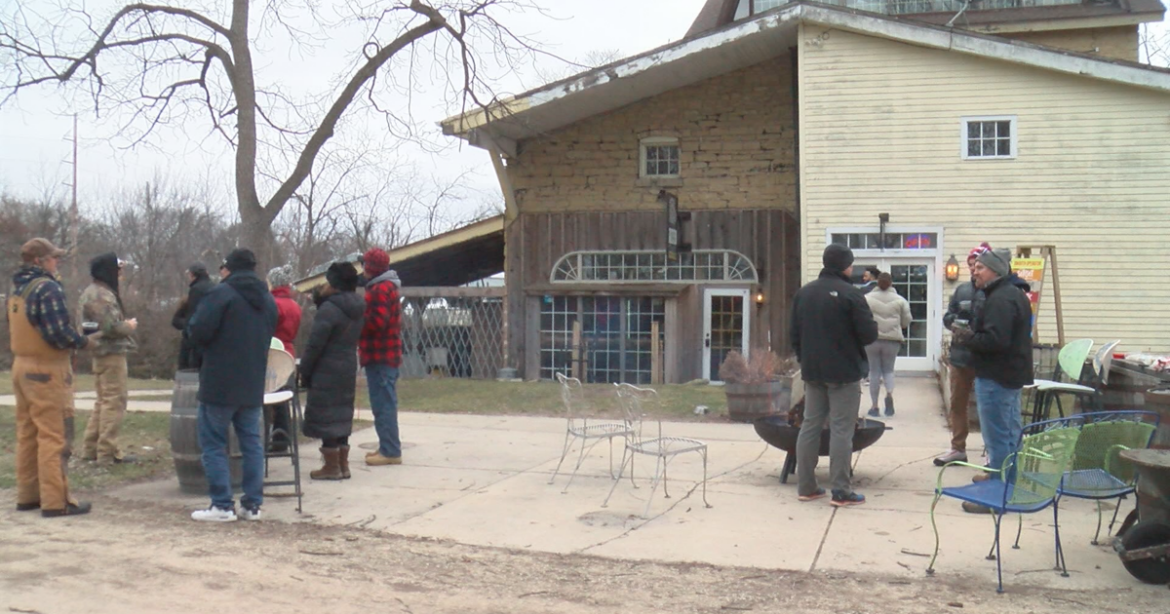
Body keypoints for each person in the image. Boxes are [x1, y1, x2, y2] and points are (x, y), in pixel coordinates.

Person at [186, 248, 277, 522]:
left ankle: (222, 505)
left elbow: (198, 330)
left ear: (230, 268)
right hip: (252, 381)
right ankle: (252, 505)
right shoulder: (267, 299)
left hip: (220, 381)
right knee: (251, 443)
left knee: (213, 443)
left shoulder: (220, 294)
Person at [9, 238, 92, 517]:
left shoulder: (17, 288)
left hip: (20, 367)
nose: (57, 263)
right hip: (47, 369)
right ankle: (56, 501)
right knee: (54, 434)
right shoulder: (48, 288)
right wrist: (82, 341)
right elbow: (58, 333)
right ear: (39, 261)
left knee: (28, 433)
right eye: (53, 258)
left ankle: (28, 495)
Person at [790, 244, 878, 507]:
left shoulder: (804, 293)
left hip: (813, 370)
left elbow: (794, 334)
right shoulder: (851, 295)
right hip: (844, 371)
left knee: (810, 425)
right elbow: (868, 334)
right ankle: (841, 490)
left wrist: (805, 358)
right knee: (841, 429)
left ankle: (806, 486)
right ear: (846, 266)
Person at [951, 248, 1034, 513]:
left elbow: (995, 341)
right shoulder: (1012, 294)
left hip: (997, 376)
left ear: (996, 271)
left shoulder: (1000, 299)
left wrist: (966, 337)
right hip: (1009, 375)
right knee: (1010, 434)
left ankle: (998, 498)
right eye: (975, 268)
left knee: (999, 437)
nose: (975, 271)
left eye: (980, 268)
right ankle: (1006, 482)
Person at [300, 263, 364, 480]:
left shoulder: (329, 309)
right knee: (342, 413)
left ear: (334, 283)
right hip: (347, 365)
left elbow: (315, 345)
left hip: (326, 367)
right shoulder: (358, 308)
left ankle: (331, 467)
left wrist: (305, 370)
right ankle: (343, 465)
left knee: (327, 416)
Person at [79, 252, 138, 465]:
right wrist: (128, 326)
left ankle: (90, 449)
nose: (120, 273)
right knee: (114, 402)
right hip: (110, 354)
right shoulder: (101, 295)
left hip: (100, 353)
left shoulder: (92, 292)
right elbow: (110, 327)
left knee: (103, 402)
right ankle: (106, 453)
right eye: (118, 269)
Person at [934, 242, 990, 466]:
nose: (973, 270)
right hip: (960, 356)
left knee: (988, 405)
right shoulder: (962, 290)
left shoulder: (995, 293)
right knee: (958, 403)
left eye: (977, 265)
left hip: (986, 357)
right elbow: (949, 315)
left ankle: (991, 450)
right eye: (970, 265)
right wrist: (954, 323)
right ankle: (958, 448)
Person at [360, 247, 404, 466]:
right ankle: (386, 445)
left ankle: (390, 450)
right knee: (383, 403)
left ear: (371, 268)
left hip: (380, 354)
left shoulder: (379, 289)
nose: (362, 269)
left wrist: (358, 320)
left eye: (365, 265)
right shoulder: (389, 286)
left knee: (383, 404)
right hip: (386, 354)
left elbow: (377, 323)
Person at [864, 272, 911, 418]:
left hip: (872, 339)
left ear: (877, 283)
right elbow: (906, 321)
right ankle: (889, 394)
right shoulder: (900, 300)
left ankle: (874, 406)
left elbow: (862, 318)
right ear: (891, 283)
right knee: (888, 370)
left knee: (874, 372)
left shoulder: (867, 299)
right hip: (892, 340)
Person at [266, 264, 303, 453]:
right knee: (284, 398)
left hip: (274, 354)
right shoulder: (294, 305)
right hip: (289, 352)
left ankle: (271, 440)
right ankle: (284, 438)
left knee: (270, 398)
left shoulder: (273, 304)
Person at [172, 262, 213, 370]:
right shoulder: (215, 287)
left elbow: (193, 314)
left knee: (189, 372)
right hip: (211, 338)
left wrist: (187, 329)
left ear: (192, 275)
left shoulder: (196, 290)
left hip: (195, 339)